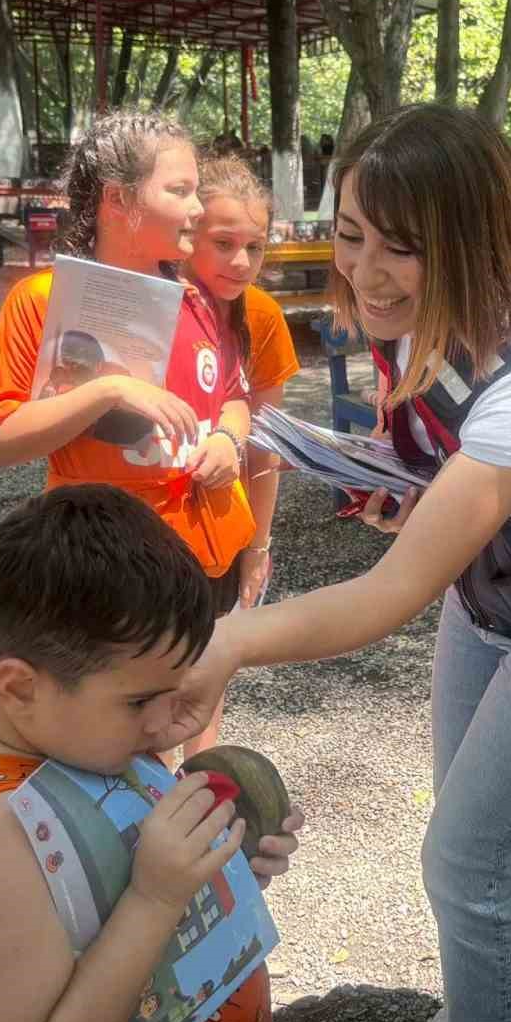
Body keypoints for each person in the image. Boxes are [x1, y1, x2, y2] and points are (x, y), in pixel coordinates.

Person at [156, 104, 511, 1022]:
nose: (364, 272)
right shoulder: (417, 313)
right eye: (351, 237)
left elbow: (385, 596)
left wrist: (225, 640)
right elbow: (439, 465)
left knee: (466, 861)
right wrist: (394, 484)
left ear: (477, 243)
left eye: (403, 249)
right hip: (490, 599)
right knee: (493, 821)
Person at [0, 483, 304, 1022]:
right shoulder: (6, 832)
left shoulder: (84, 738)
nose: (171, 721)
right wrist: (157, 897)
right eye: (142, 701)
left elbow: (102, 887)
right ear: (20, 689)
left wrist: (220, 865)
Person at [0, 110, 258, 613]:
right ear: (117, 198)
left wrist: (227, 440)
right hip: (105, 562)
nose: (197, 207)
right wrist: (109, 390)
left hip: (210, 550)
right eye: (179, 190)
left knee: (204, 690)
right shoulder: (42, 300)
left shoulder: (199, 297)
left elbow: (234, 396)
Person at [177, 154, 300, 757]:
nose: (241, 262)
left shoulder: (264, 318)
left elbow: (265, 446)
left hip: (223, 535)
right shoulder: (159, 306)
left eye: (254, 246)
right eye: (223, 243)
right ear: (188, 235)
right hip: (149, 532)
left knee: (207, 676)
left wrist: (259, 547)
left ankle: (200, 790)